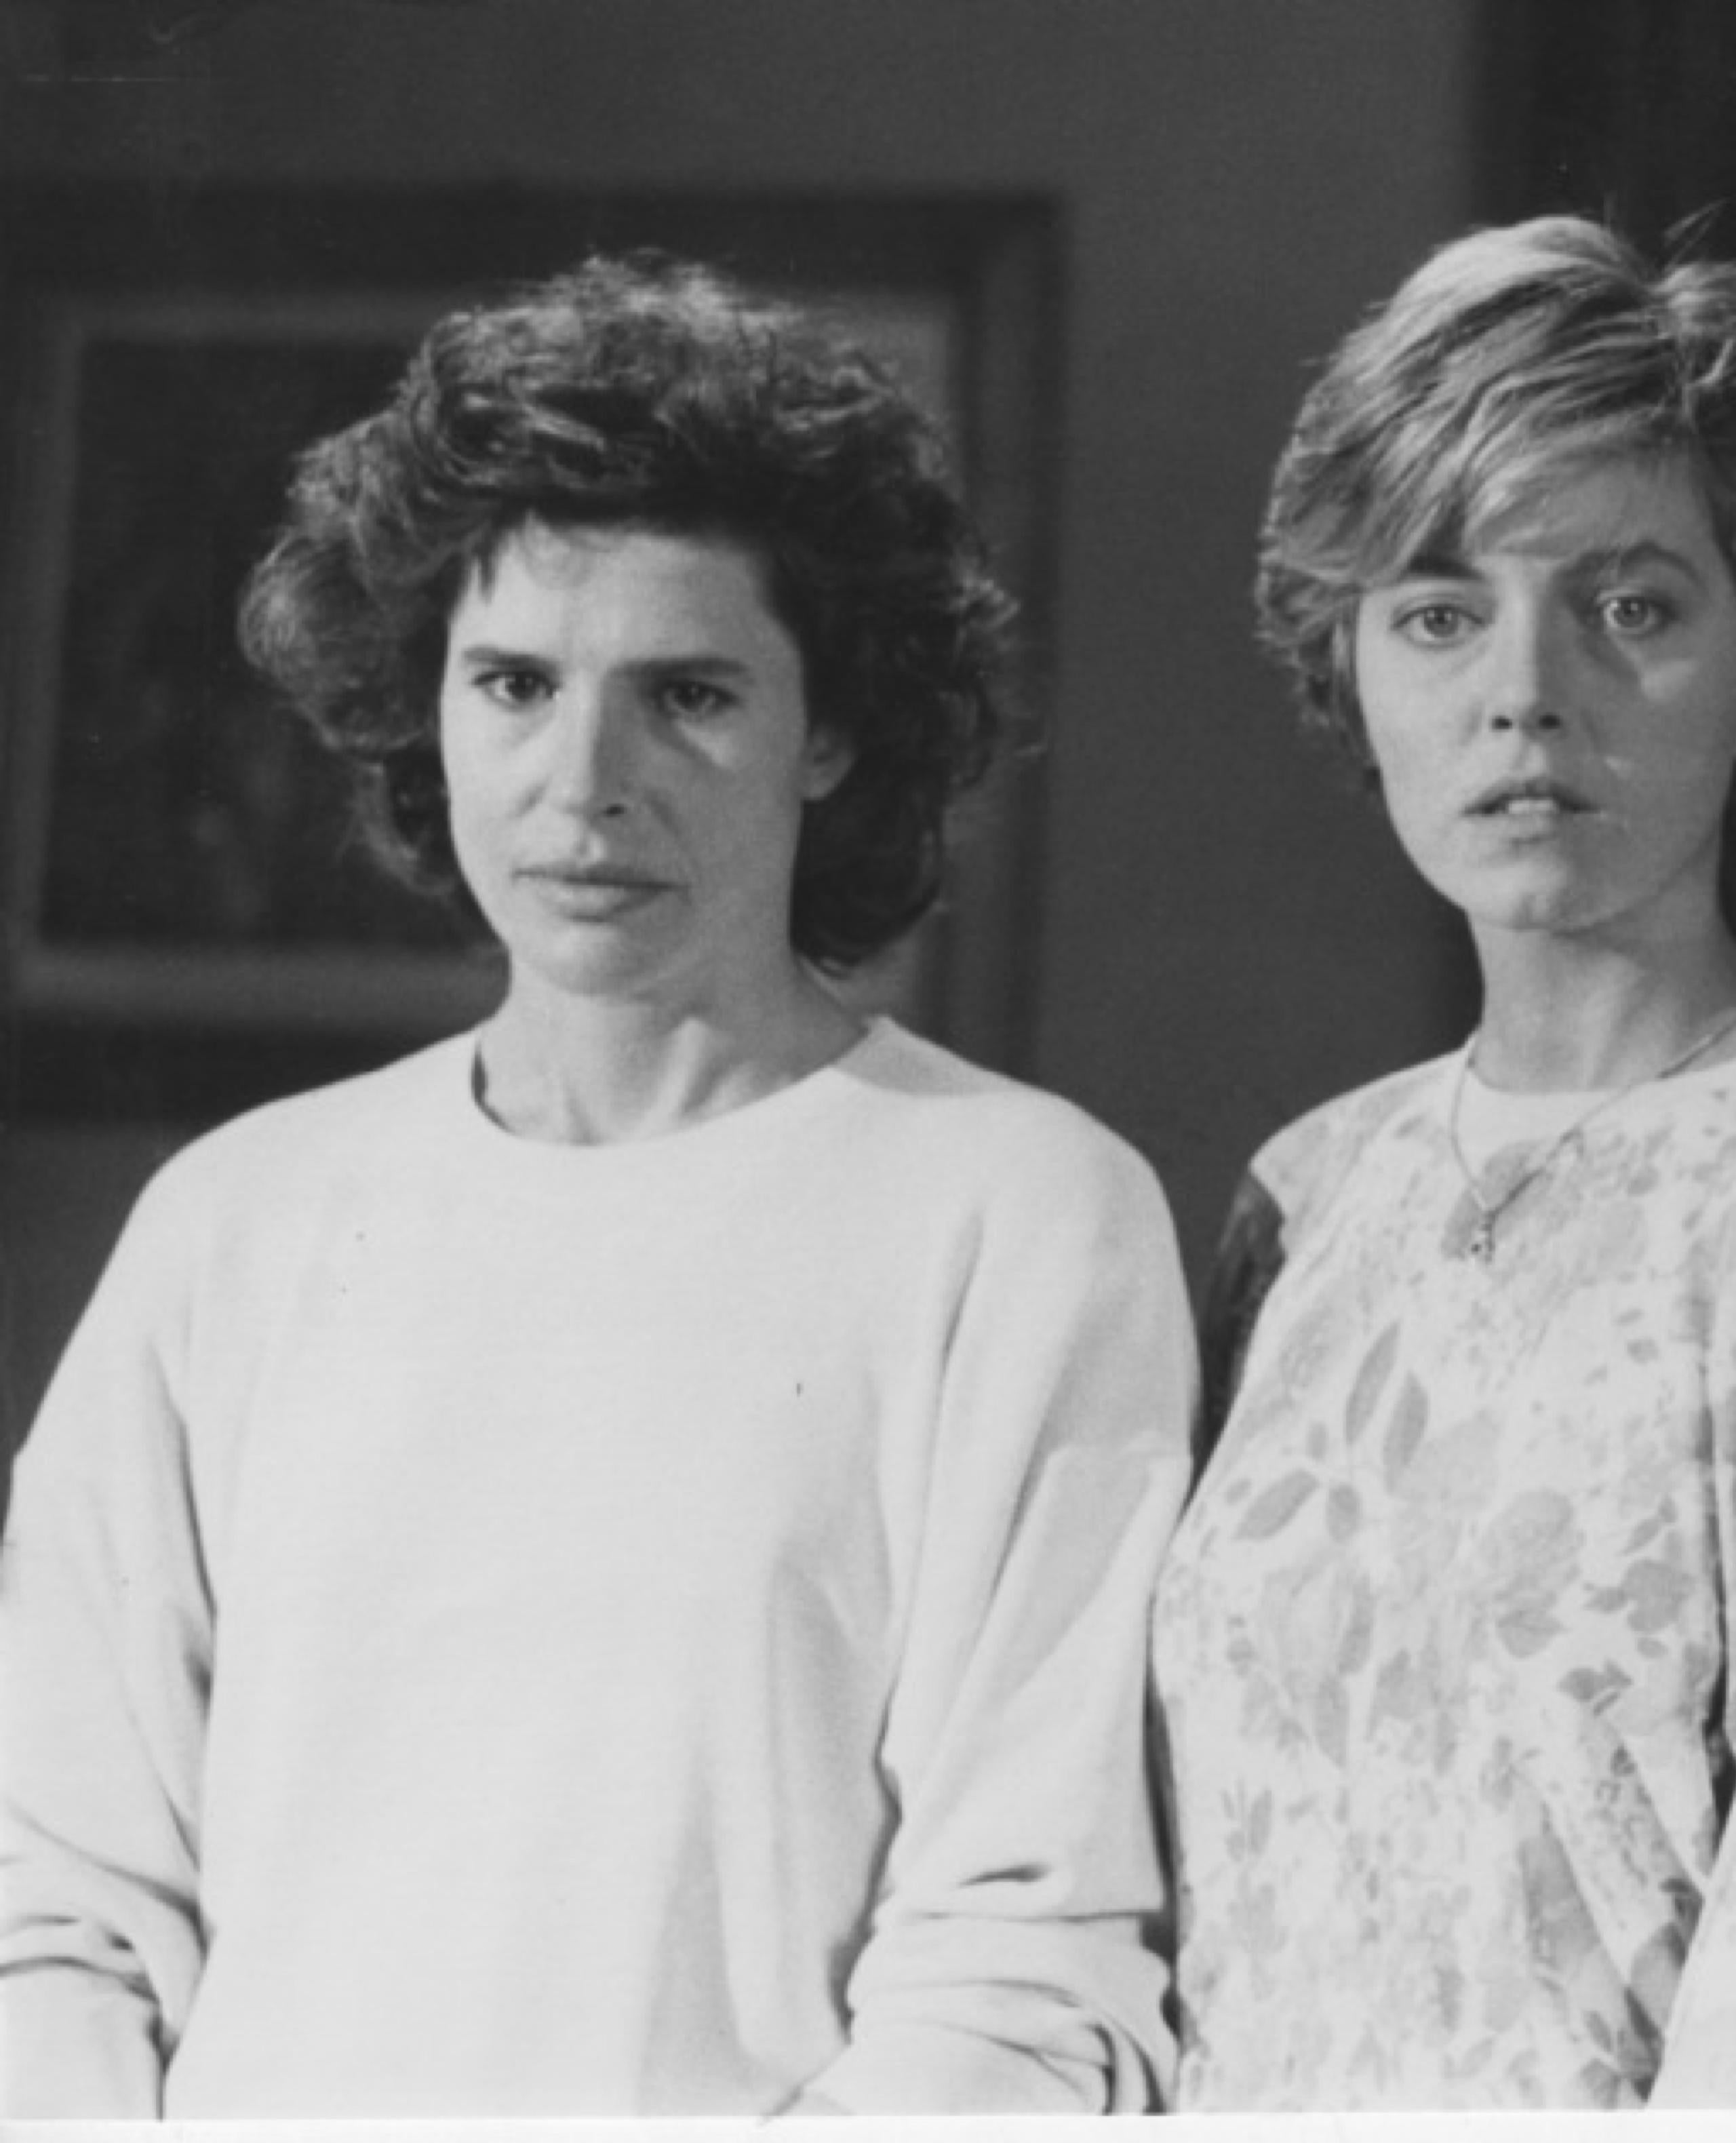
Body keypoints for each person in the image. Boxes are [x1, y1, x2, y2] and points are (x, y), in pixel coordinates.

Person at [0, 255, 1194, 2115]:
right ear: (430, 712)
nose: (585, 781)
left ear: (837, 731)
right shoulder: (237, 1225)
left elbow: (1020, 1957)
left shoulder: (1019, 1218)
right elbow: (53, 1901)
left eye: (690, 694)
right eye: (514, 683)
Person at [1147, 216, 1736, 2109]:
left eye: (1631, 606)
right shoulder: (1308, 1198)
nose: (1526, 690)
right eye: (1437, 610)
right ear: (1352, 677)